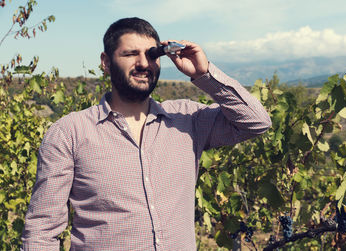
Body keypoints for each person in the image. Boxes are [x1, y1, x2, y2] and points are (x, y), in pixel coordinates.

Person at [21, 17, 271, 250]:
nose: (143, 63)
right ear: (106, 62)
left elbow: (256, 122)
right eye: (130, 54)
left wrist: (203, 74)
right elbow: (41, 231)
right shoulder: (69, 133)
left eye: (151, 55)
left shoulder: (188, 120)